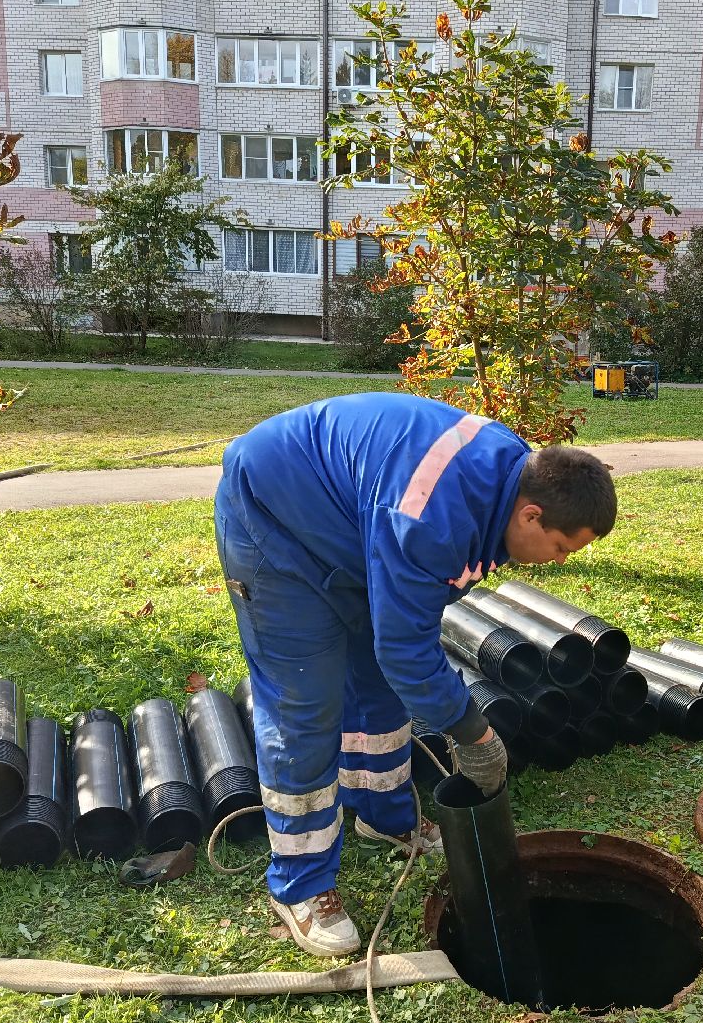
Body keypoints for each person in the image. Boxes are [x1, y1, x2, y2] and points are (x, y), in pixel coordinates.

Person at [214, 392, 616, 957]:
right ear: (531, 514)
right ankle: (300, 884)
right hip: (273, 522)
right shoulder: (431, 517)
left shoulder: (511, 476)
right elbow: (407, 650)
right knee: (304, 704)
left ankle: (383, 815)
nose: (559, 561)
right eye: (559, 546)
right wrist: (473, 733)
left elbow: (401, 644)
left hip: (352, 527)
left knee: (378, 685)